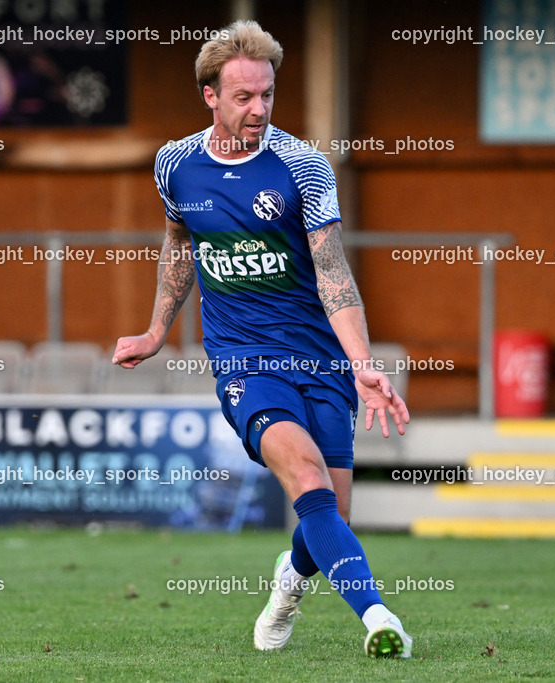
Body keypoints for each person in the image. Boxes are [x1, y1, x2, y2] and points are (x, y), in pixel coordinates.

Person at [112, 19, 413, 659]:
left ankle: (287, 583)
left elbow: (333, 272)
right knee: (306, 477)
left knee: (330, 513)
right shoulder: (175, 165)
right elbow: (179, 245)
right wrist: (157, 329)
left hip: (321, 361)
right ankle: (380, 619)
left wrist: (362, 364)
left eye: (268, 94)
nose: (258, 109)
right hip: (245, 362)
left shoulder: (303, 166)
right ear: (210, 96)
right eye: (244, 96)